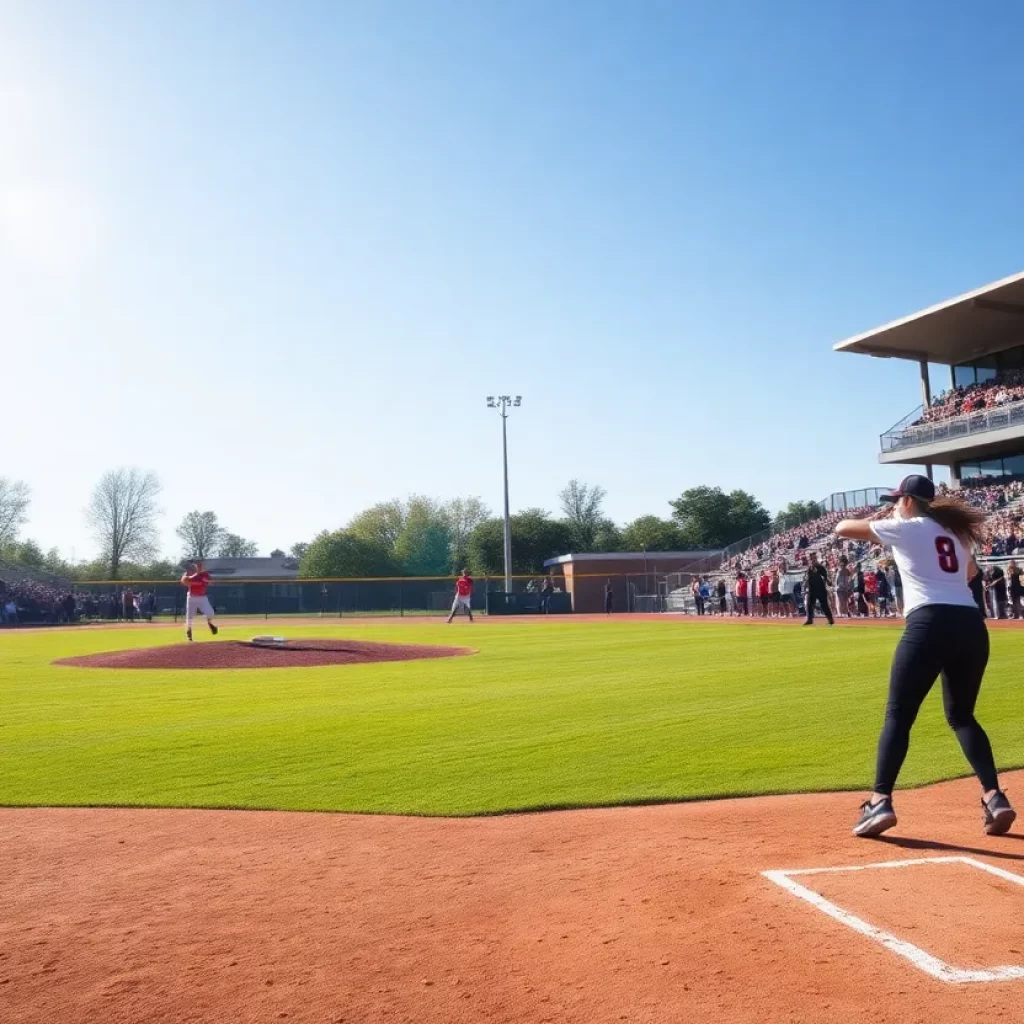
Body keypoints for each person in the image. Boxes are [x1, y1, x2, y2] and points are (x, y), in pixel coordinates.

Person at [836, 474, 1015, 838]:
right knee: (963, 716)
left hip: (929, 622)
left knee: (898, 716)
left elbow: (842, 527)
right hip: (970, 624)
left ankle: (879, 801)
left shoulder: (909, 527)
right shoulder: (955, 534)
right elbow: (971, 575)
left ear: (907, 500)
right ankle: (994, 796)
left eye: (896, 499)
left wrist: (889, 518)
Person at [180, 560, 220, 641]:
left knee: (210, 612)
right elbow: (183, 580)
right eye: (198, 566)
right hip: (191, 597)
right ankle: (189, 631)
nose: (199, 567)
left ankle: (210, 624)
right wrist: (193, 581)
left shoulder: (205, 574)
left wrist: (207, 582)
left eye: (200, 566)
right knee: (189, 616)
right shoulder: (190, 574)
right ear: (195, 567)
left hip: (202, 597)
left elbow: (211, 582)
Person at [803, 552, 833, 625]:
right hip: (812, 590)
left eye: (814, 558)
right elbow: (807, 579)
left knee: (824, 605)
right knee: (809, 605)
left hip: (821, 589)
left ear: (816, 559)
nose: (812, 560)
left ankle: (830, 620)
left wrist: (828, 581)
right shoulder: (809, 569)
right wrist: (805, 587)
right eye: (811, 559)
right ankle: (809, 620)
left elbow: (825, 577)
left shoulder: (820, 567)